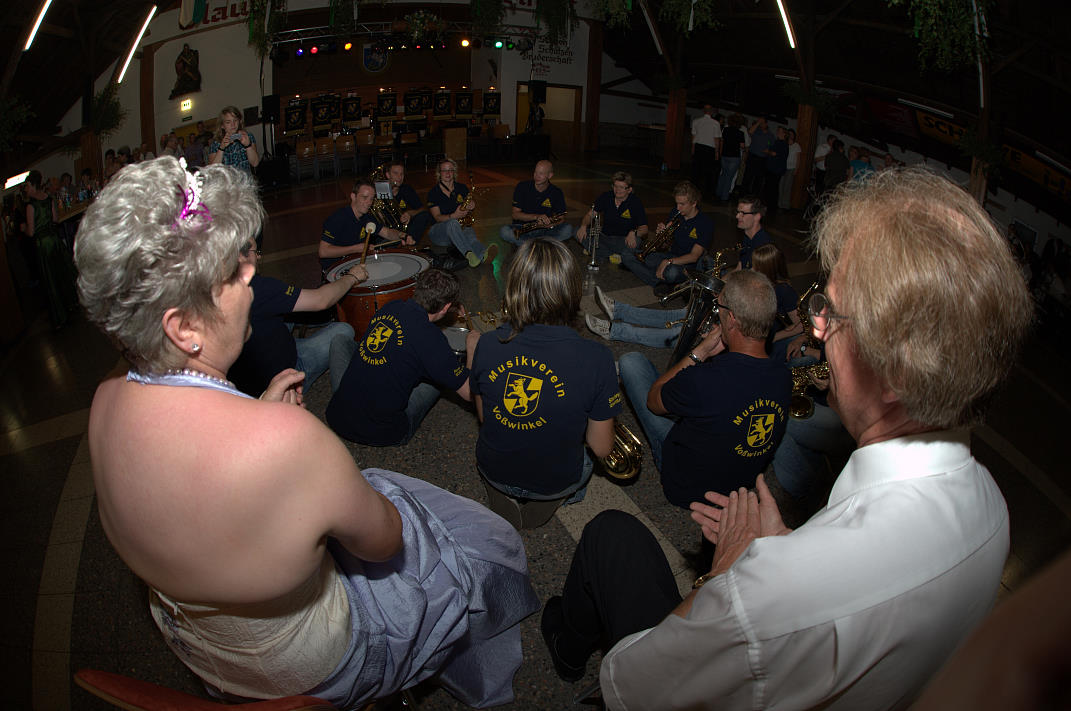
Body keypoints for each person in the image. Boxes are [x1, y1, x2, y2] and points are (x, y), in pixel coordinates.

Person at [542, 167, 1031, 711]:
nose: (816, 328)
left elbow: (633, 681)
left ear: (897, 371)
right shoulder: (994, 509)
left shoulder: (779, 595)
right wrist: (786, 545)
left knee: (610, 535)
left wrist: (724, 581)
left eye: (834, 314)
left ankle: (564, 644)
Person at [73, 156, 538, 709]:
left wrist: (256, 416)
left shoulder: (104, 403)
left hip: (208, 656)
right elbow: (383, 542)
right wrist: (274, 430)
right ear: (184, 327)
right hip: (308, 668)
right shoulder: (287, 439)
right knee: (478, 545)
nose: (251, 276)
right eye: (232, 273)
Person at [470, 239, 619, 528]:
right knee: (589, 455)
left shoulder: (486, 344)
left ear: (514, 287)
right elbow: (602, 448)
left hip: (494, 469)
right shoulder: (598, 357)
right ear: (571, 290)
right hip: (553, 482)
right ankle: (548, 503)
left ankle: (501, 493)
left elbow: (485, 417)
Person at [616, 269, 790, 507]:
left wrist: (700, 352)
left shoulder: (706, 378)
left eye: (719, 308)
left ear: (732, 319)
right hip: (738, 488)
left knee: (632, 363)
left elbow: (654, 401)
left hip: (685, 487)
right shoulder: (784, 376)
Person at [326, 268, 478, 447]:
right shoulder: (432, 340)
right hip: (382, 431)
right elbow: (469, 393)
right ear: (445, 307)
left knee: (341, 341)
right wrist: (472, 348)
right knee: (439, 378)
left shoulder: (391, 307)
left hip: (338, 416)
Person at [228, 242, 367, 398]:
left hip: (245, 377)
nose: (259, 256)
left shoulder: (214, 286)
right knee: (343, 330)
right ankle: (298, 380)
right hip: (284, 378)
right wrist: (352, 277)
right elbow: (321, 300)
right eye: (255, 252)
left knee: (286, 306)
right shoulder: (259, 287)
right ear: (240, 256)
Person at [620, 180, 713, 296]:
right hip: (671, 255)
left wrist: (668, 262)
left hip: (688, 265)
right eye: (676, 203)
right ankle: (661, 283)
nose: (678, 208)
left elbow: (694, 257)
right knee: (627, 256)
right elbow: (665, 246)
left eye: (682, 204)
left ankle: (663, 278)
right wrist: (662, 235)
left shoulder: (705, 223)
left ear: (694, 203)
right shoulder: (676, 213)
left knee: (671, 272)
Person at [23, 170, 78, 328]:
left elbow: (31, 232)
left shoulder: (30, 206)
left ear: (33, 185)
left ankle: (60, 315)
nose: (26, 189)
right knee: (61, 273)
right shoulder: (48, 199)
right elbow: (55, 219)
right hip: (54, 240)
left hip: (43, 244)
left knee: (50, 280)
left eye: (27, 186)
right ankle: (70, 304)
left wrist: (24, 228)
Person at [318, 179, 408, 271]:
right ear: (353, 196)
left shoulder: (367, 217)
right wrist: (356, 249)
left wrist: (402, 235)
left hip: (355, 261)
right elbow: (323, 252)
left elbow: (387, 233)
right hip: (335, 267)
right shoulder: (337, 218)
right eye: (364, 197)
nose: (369, 203)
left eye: (371, 199)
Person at [426, 158, 496, 268]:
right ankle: (468, 254)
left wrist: (471, 206)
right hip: (439, 233)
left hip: (458, 228)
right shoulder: (433, 193)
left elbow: (466, 208)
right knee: (452, 223)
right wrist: (453, 216)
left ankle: (483, 255)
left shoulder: (462, 188)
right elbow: (437, 217)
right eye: (444, 170)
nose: (448, 173)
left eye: (450, 170)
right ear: (439, 173)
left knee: (470, 235)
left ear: (454, 172)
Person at [575, 171, 648, 263]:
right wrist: (583, 226)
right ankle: (610, 254)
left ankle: (596, 251)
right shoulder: (606, 196)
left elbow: (645, 229)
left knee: (636, 241)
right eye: (615, 186)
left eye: (621, 187)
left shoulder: (635, 202)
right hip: (604, 237)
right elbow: (590, 215)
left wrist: (634, 232)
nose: (617, 190)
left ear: (629, 190)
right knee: (576, 231)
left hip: (622, 240)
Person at [499, 160, 573, 247]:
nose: (536, 176)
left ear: (550, 175)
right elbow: (515, 215)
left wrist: (550, 224)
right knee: (504, 231)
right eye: (535, 172)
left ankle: (529, 245)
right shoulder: (522, 187)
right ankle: (539, 245)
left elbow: (561, 218)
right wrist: (536, 217)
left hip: (545, 230)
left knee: (568, 229)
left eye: (541, 173)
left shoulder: (556, 192)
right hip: (524, 228)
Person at [383, 160, 434, 241]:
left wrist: (410, 213)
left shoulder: (407, 189)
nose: (399, 177)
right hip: (386, 229)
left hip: (404, 226)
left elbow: (422, 209)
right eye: (395, 173)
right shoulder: (381, 190)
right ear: (388, 175)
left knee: (425, 215)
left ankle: (410, 241)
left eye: (402, 174)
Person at [208, 105, 260, 173]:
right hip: (227, 179)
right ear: (222, 125)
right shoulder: (216, 143)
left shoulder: (247, 136)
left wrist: (248, 146)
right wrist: (221, 148)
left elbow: (255, 163)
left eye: (235, 120)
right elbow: (213, 171)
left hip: (245, 178)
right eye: (228, 122)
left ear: (239, 121)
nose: (233, 125)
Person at [733, 195, 773, 270]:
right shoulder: (747, 237)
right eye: (738, 212)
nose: (737, 216)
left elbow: (753, 276)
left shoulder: (763, 246)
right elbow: (739, 267)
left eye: (743, 213)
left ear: (757, 217)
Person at [690, 104, 722, 198]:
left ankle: (694, 190)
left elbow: (694, 137)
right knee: (708, 172)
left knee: (696, 171)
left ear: (703, 111)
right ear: (711, 112)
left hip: (698, 147)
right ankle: (707, 192)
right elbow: (716, 139)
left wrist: (693, 149)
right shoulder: (716, 123)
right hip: (710, 149)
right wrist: (717, 152)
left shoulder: (696, 121)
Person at [716, 114, 746, 202]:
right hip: (734, 157)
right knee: (729, 177)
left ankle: (718, 193)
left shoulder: (725, 130)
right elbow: (742, 146)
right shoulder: (740, 133)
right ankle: (724, 196)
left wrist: (720, 152)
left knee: (723, 175)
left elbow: (722, 141)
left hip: (725, 155)